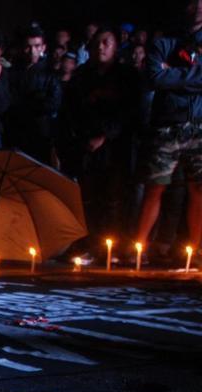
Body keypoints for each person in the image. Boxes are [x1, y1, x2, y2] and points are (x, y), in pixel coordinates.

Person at [59, 25, 140, 263]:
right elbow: (70, 110)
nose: (101, 48)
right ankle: (90, 244)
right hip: (85, 147)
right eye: (97, 43)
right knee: (89, 199)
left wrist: (105, 135)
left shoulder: (126, 77)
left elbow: (131, 112)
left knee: (115, 199)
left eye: (107, 43)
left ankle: (114, 246)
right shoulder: (82, 76)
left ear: (116, 47)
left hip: (117, 149)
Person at [133, 0, 202, 262]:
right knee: (155, 187)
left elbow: (165, 78)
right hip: (167, 127)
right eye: (191, 2)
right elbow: (153, 78)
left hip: (199, 124)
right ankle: (138, 248)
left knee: (199, 190)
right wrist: (193, 75)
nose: (197, 6)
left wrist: (174, 74)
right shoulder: (164, 43)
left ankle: (193, 251)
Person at [6, 24, 60, 164]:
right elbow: (8, 100)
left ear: (43, 47)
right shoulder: (13, 72)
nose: (32, 51)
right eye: (28, 46)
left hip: (40, 134)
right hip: (16, 132)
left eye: (37, 46)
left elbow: (54, 103)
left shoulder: (49, 73)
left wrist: (30, 104)